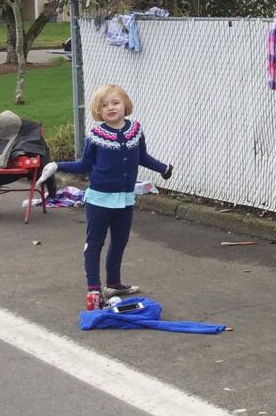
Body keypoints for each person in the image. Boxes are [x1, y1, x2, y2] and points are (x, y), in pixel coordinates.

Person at [36, 85, 173, 309]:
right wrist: (56, 165)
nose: (110, 108)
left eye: (115, 103)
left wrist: (163, 168)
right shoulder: (96, 136)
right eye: (104, 105)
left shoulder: (135, 130)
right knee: (94, 244)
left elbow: (142, 157)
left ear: (125, 105)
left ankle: (113, 283)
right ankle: (93, 289)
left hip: (125, 199)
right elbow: (84, 165)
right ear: (98, 110)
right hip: (99, 201)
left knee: (120, 242)